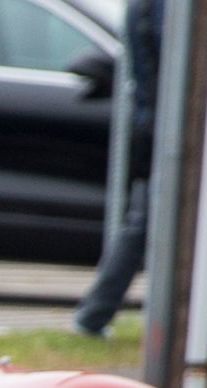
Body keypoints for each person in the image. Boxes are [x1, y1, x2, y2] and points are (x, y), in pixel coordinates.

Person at [74, 0, 162, 337]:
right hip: (162, 129)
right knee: (144, 223)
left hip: (151, 124)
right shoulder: (162, 9)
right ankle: (94, 315)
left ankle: (94, 315)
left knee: (142, 222)